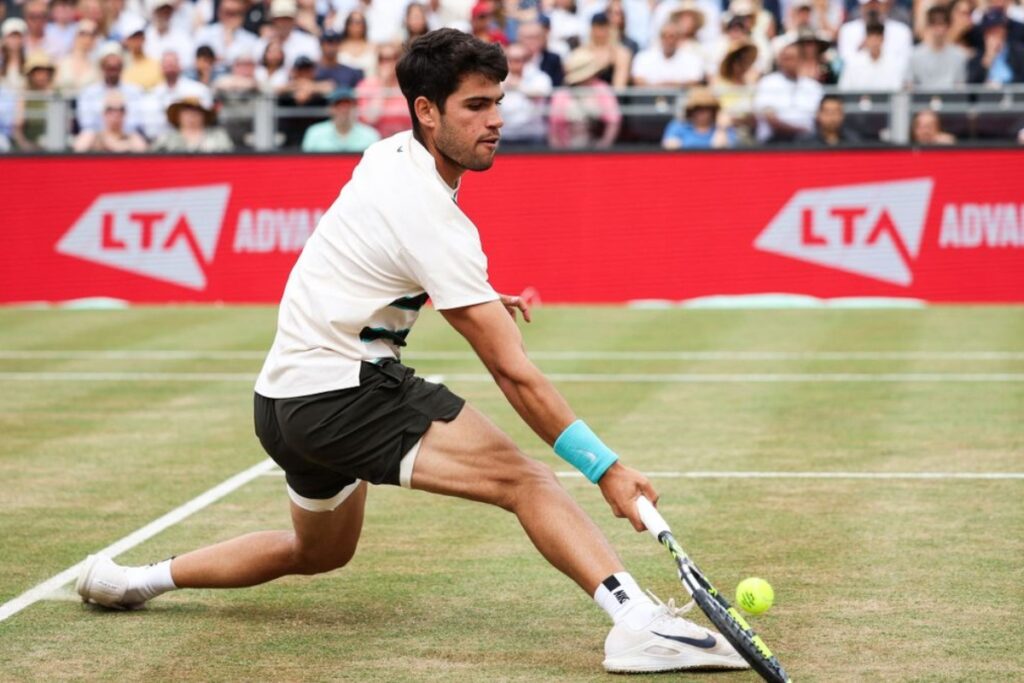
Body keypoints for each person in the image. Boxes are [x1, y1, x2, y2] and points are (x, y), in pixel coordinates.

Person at [76, 29, 749, 676]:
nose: (494, 121)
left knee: (319, 552)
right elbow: (512, 371)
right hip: (341, 394)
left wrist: (480, 291)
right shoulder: (433, 216)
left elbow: (379, 260)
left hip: (279, 404)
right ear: (427, 111)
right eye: (475, 105)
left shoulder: (384, 156)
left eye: (498, 103)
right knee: (528, 479)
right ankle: (635, 623)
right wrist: (606, 467)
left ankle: (133, 579)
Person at [548, 46, 622, 147]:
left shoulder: (602, 89)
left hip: (594, 147)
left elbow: (613, 121)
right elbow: (554, 127)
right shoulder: (562, 93)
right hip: (566, 148)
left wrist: (604, 145)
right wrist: (558, 151)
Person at [753, 39, 822, 142]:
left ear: (801, 60)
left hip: (809, 141)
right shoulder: (768, 82)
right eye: (784, 58)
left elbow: (820, 117)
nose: (786, 62)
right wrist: (799, 131)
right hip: (775, 141)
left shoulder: (813, 86)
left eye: (791, 58)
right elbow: (770, 118)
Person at [75, 42, 145, 133]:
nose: (113, 71)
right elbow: (87, 123)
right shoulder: (89, 93)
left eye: (116, 67)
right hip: (98, 141)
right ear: (102, 67)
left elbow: (137, 122)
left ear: (121, 67)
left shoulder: (135, 92)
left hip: (127, 139)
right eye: (109, 67)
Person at [499, 41, 552, 145]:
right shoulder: (498, 78)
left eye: (520, 59)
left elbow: (542, 93)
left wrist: (518, 86)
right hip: (505, 135)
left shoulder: (540, 77)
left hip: (533, 136)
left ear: (528, 60)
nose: (515, 63)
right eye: (510, 59)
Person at [355, 43, 412, 138]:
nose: (389, 63)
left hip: (407, 137)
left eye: (394, 57)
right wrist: (384, 84)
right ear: (378, 62)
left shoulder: (409, 84)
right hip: (376, 138)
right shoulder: (366, 85)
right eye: (383, 59)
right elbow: (370, 118)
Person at [301, 86, 380, 151]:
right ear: (330, 109)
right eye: (338, 106)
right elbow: (306, 164)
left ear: (356, 108)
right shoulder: (315, 133)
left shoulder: (370, 135)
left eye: (348, 106)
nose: (344, 110)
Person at [630, 19, 704, 86]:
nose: (668, 41)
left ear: (679, 38)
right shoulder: (643, 58)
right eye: (664, 36)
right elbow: (638, 80)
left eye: (672, 36)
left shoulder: (692, 59)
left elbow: (694, 81)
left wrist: (662, 86)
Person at [907, 5, 966, 87]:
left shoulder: (959, 55)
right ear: (928, 26)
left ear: (948, 26)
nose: (939, 29)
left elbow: (960, 88)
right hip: (923, 99)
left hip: (950, 99)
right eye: (934, 24)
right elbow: (910, 87)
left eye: (942, 24)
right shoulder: (914, 55)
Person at [837, 20, 904, 90]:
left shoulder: (893, 63)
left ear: (883, 39)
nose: (874, 42)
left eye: (877, 37)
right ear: (866, 39)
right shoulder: (853, 63)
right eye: (871, 38)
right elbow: (844, 89)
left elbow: (897, 90)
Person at [71, 90, 149, 151]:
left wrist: (116, 145)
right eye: (110, 109)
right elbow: (77, 149)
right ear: (103, 113)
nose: (116, 114)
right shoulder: (93, 136)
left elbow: (142, 149)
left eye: (121, 110)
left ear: (126, 113)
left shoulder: (132, 137)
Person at [662, 86, 736, 148]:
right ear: (690, 111)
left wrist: (721, 129)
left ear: (713, 110)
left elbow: (721, 150)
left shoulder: (725, 128)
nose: (701, 112)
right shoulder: (678, 126)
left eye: (706, 108)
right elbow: (670, 146)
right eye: (697, 108)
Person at [152, 95, 234, 150]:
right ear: (178, 116)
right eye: (186, 112)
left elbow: (230, 159)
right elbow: (151, 160)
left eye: (196, 112)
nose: (191, 116)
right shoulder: (167, 138)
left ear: (204, 116)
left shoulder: (218, 136)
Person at [193, 0, 259, 66]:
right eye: (228, 13)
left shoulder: (251, 39)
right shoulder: (204, 32)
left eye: (235, 13)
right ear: (219, 12)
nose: (231, 17)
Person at [967, 9, 1024, 83]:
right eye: (990, 32)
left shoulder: (1018, 53)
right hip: (986, 94)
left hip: (1012, 94)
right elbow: (972, 86)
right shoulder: (977, 57)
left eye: (997, 31)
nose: (994, 36)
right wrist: (987, 59)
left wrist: (1002, 85)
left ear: (1005, 32)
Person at [11, 50, 54, 150]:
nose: (42, 75)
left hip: (53, 146)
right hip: (28, 147)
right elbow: (17, 127)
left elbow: (63, 126)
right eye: (38, 71)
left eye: (45, 71)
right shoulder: (24, 96)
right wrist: (25, 145)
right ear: (31, 74)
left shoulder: (56, 94)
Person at [54, 19, 101, 92]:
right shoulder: (61, 63)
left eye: (92, 34)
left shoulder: (98, 65)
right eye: (83, 33)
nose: (87, 38)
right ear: (75, 36)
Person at [516, 19, 563, 86]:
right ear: (519, 39)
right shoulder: (510, 59)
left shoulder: (553, 59)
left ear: (543, 39)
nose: (533, 41)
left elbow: (557, 85)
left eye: (537, 37)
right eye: (529, 37)